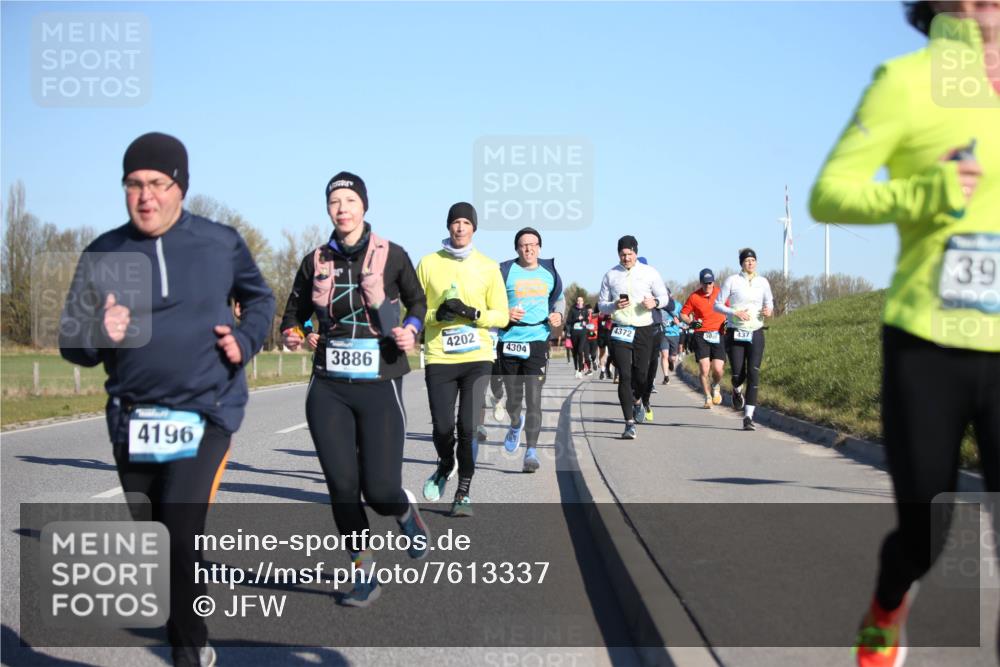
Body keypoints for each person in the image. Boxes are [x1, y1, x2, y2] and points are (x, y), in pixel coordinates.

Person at [809, 3, 998, 665]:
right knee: (923, 536)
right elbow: (829, 194)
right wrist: (920, 193)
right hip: (928, 340)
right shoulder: (905, 81)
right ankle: (884, 612)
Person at [59, 132, 275, 667]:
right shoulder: (104, 251)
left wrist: (244, 342)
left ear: (181, 186)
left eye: (158, 183)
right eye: (133, 184)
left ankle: (186, 652)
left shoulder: (218, 243)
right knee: (159, 547)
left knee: (178, 529)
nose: (145, 196)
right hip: (132, 420)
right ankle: (193, 632)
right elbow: (71, 339)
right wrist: (98, 334)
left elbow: (261, 298)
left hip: (207, 411)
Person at [280, 171, 429, 607]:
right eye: (334, 202)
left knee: (380, 490)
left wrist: (411, 329)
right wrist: (292, 331)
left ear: (364, 206)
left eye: (349, 200)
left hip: (379, 381)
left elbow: (418, 303)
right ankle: (364, 573)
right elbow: (294, 311)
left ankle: (404, 513)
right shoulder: (315, 261)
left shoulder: (393, 255)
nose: (342, 208)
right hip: (328, 386)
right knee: (342, 487)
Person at [417, 202, 508, 516]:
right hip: (440, 356)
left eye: (465, 222)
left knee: (467, 427)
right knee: (443, 428)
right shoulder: (428, 263)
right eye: (455, 222)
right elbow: (412, 312)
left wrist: (473, 314)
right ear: (448, 227)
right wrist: (437, 314)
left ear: (474, 228)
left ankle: (463, 492)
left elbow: (503, 314)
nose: (460, 227)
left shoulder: (488, 266)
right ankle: (445, 464)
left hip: (478, 356)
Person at [497, 227, 564, 472]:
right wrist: (504, 313)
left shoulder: (550, 272)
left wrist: (558, 313)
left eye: (533, 244)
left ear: (539, 247)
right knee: (513, 400)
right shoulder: (504, 271)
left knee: (534, 398)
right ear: (517, 248)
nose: (529, 248)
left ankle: (531, 452)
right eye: (524, 245)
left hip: (538, 339)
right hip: (509, 339)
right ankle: (515, 424)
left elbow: (559, 298)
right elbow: (491, 300)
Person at [597, 235, 670, 439]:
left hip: (643, 329)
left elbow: (665, 298)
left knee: (642, 375)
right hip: (620, 329)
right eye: (622, 254)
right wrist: (613, 306)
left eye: (629, 254)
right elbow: (601, 304)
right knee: (625, 376)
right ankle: (629, 423)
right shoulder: (610, 275)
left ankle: (638, 400)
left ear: (636, 253)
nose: (626, 258)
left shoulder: (650, 272)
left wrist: (654, 302)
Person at [715, 248, 774, 431]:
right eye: (747, 260)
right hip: (735, 331)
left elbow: (769, 303)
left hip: (755, 331)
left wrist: (768, 310)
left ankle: (748, 417)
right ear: (741, 263)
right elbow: (717, 305)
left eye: (753, 260)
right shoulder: (732, 280)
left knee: (754, 373)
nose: (750, 263)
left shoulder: (763, 282)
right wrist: (735, 312)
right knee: (738, 374)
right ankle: (736, 389)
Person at [681, 269, 728, 409]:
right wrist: (690, 322)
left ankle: (715, 385)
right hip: (701, 334)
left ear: (714, 281)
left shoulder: (721, 293)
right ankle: (707, 397)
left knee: (718, 369)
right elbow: (683, 314)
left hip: (719, 333)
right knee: (704, 368)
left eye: (710, 282)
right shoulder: (694, 297)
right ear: (700, 283)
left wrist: (728, 322)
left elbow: (731, 309)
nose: (708, 285)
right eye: (705, 283)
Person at [660, 295, 683, 384]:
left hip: (674, 334)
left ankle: (671, 361)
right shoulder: (660, 305)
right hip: (663, 333)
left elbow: (683, 316)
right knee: (664, 355)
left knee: (673, 357)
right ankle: (666, 377)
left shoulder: (677, 305)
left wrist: (679, 321)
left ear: (671, 295)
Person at [568, 295, 589, 378]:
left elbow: (587, 319)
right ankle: (576, 369)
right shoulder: (572, 310)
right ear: (576, 302)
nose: (580, 302)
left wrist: (585, 321)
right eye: (578, 300)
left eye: (581, 300)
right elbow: (568, 321)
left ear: (583, 302)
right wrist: (577, 319)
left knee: (580, 350)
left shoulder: (585, 310)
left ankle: (580, 370)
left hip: (583, 333)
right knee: (575, 352)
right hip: (574, 333)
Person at [597, 310, 613, 379]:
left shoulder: (614, 307)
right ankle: (602, 370)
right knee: (602, 353)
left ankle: (609, 370)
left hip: (610, 333)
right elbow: (595, 315)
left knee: (612, 354)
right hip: (601, 334)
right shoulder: (600, 306)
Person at [585, 304, 600, 375]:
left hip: (594, 338)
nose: (589, 312)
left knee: (593, 354)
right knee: (586, 355)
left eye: (590, 310)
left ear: (592, 310)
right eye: (588, 311)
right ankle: (589, 369)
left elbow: (600, 326)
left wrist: (597, 331)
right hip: (586, 338)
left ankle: (594, 361)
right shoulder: (584, 318)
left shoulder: (596, 317)